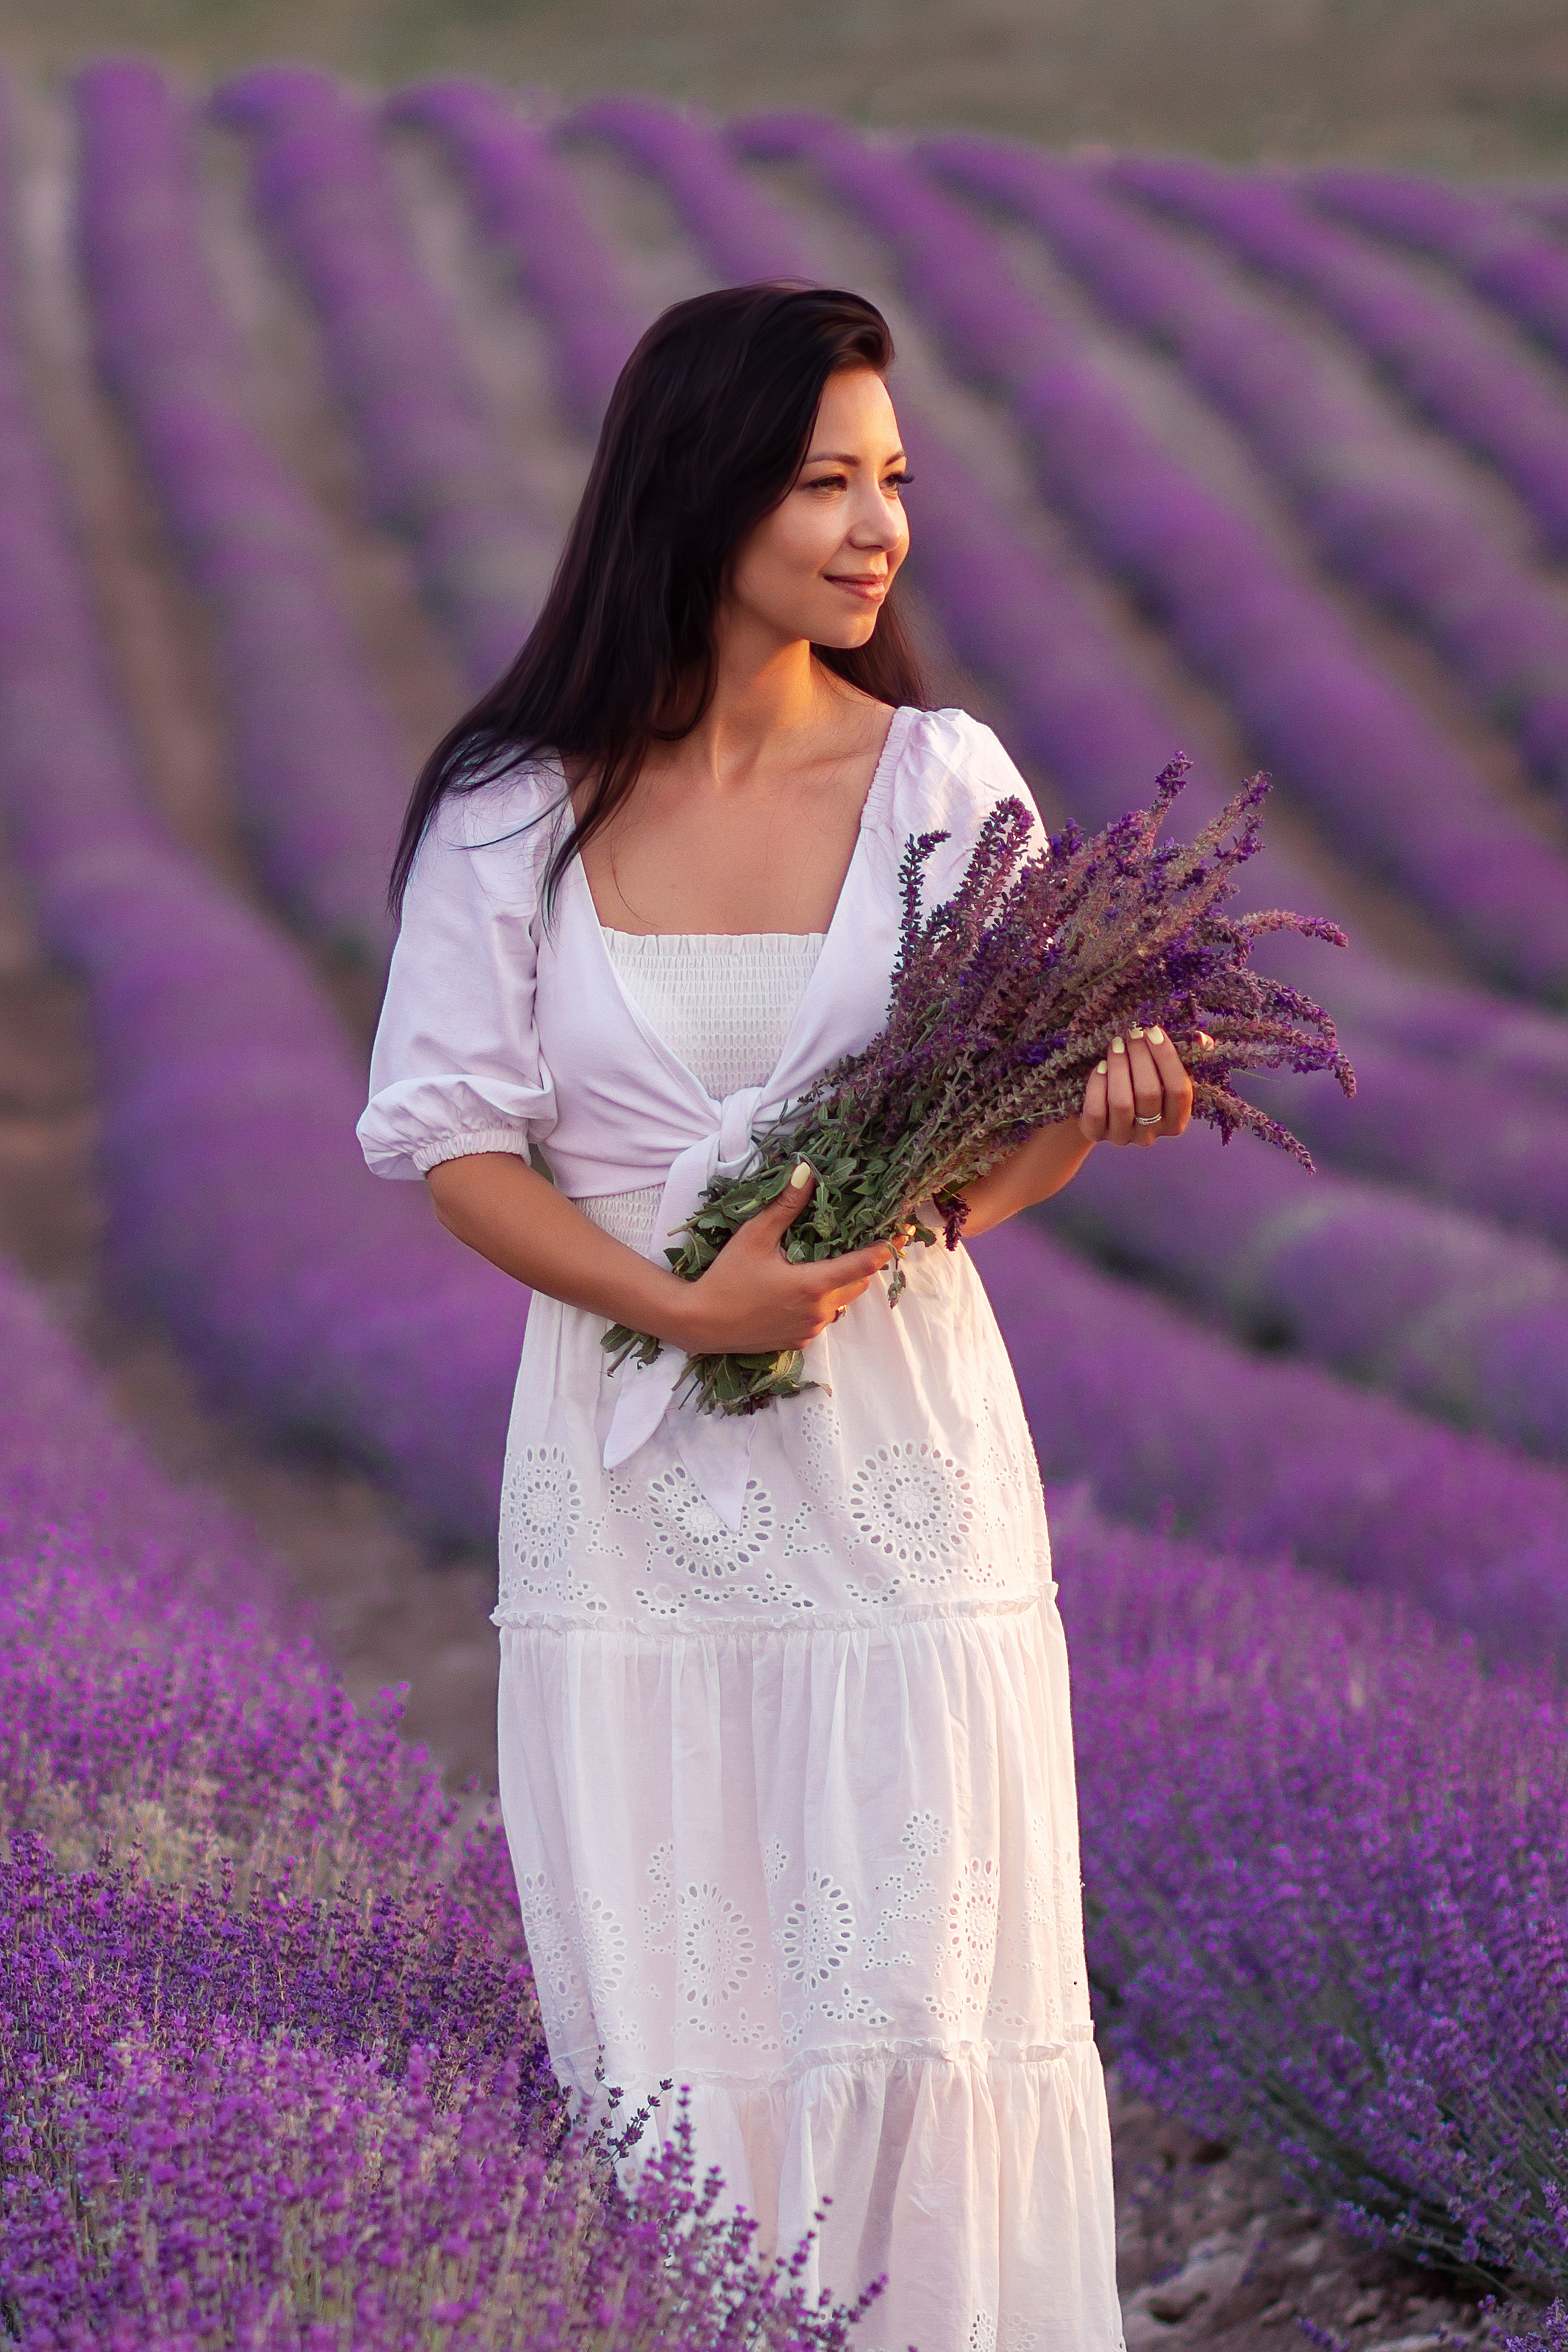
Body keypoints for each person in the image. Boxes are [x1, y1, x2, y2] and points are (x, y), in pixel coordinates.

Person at [359, 282, 1196, 2350]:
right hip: (634, 1499)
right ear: (697, 486)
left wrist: (1071, 1123)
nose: (875, 526)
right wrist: (680, 1293)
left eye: (893, 481)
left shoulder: (941, 779)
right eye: (826, 479)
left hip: (893, 1472)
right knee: (675, 2002)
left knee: (921, 1989)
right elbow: (458, 1146)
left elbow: (1000, 1144)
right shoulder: (514, 804)